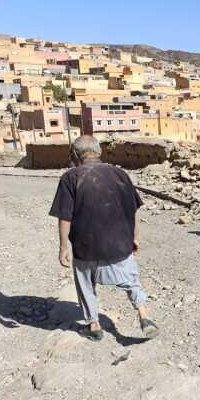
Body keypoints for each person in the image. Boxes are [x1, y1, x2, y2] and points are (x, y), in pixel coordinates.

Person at [49, 135, 159, 341]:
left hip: (85, 246)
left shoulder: (70, 177)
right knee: (131, 280)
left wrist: (63, 247)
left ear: (75, 154)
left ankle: (94, 326)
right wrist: (135, 237)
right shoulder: (120, 174)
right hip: (119, 243)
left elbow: (65, 217)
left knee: (85, 284)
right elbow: (133, 209)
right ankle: (144, 315)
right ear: (99, 151)